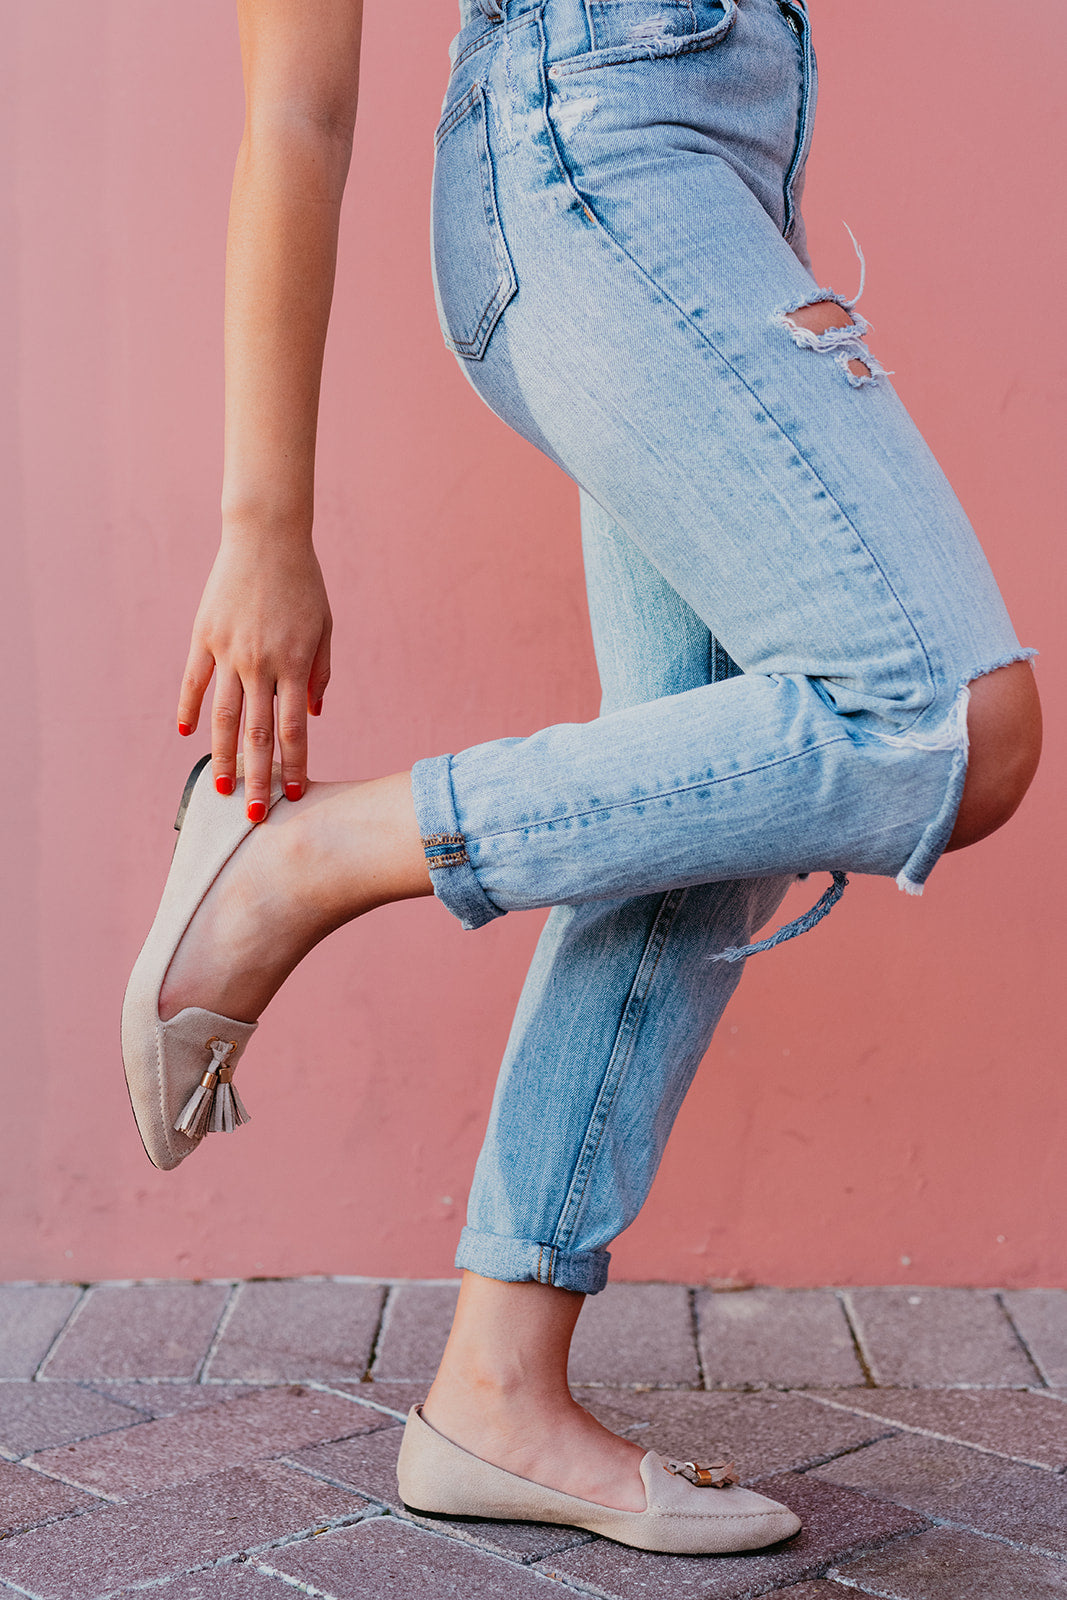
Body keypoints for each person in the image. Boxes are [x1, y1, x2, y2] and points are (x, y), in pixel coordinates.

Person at [122, 0, 1041, 1555]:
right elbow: (297, 106)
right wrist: (263, 520)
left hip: (707, 171)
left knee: (709, 793)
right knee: (937, 715)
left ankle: (496, 1387)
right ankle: (310, 856)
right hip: (595, 160)